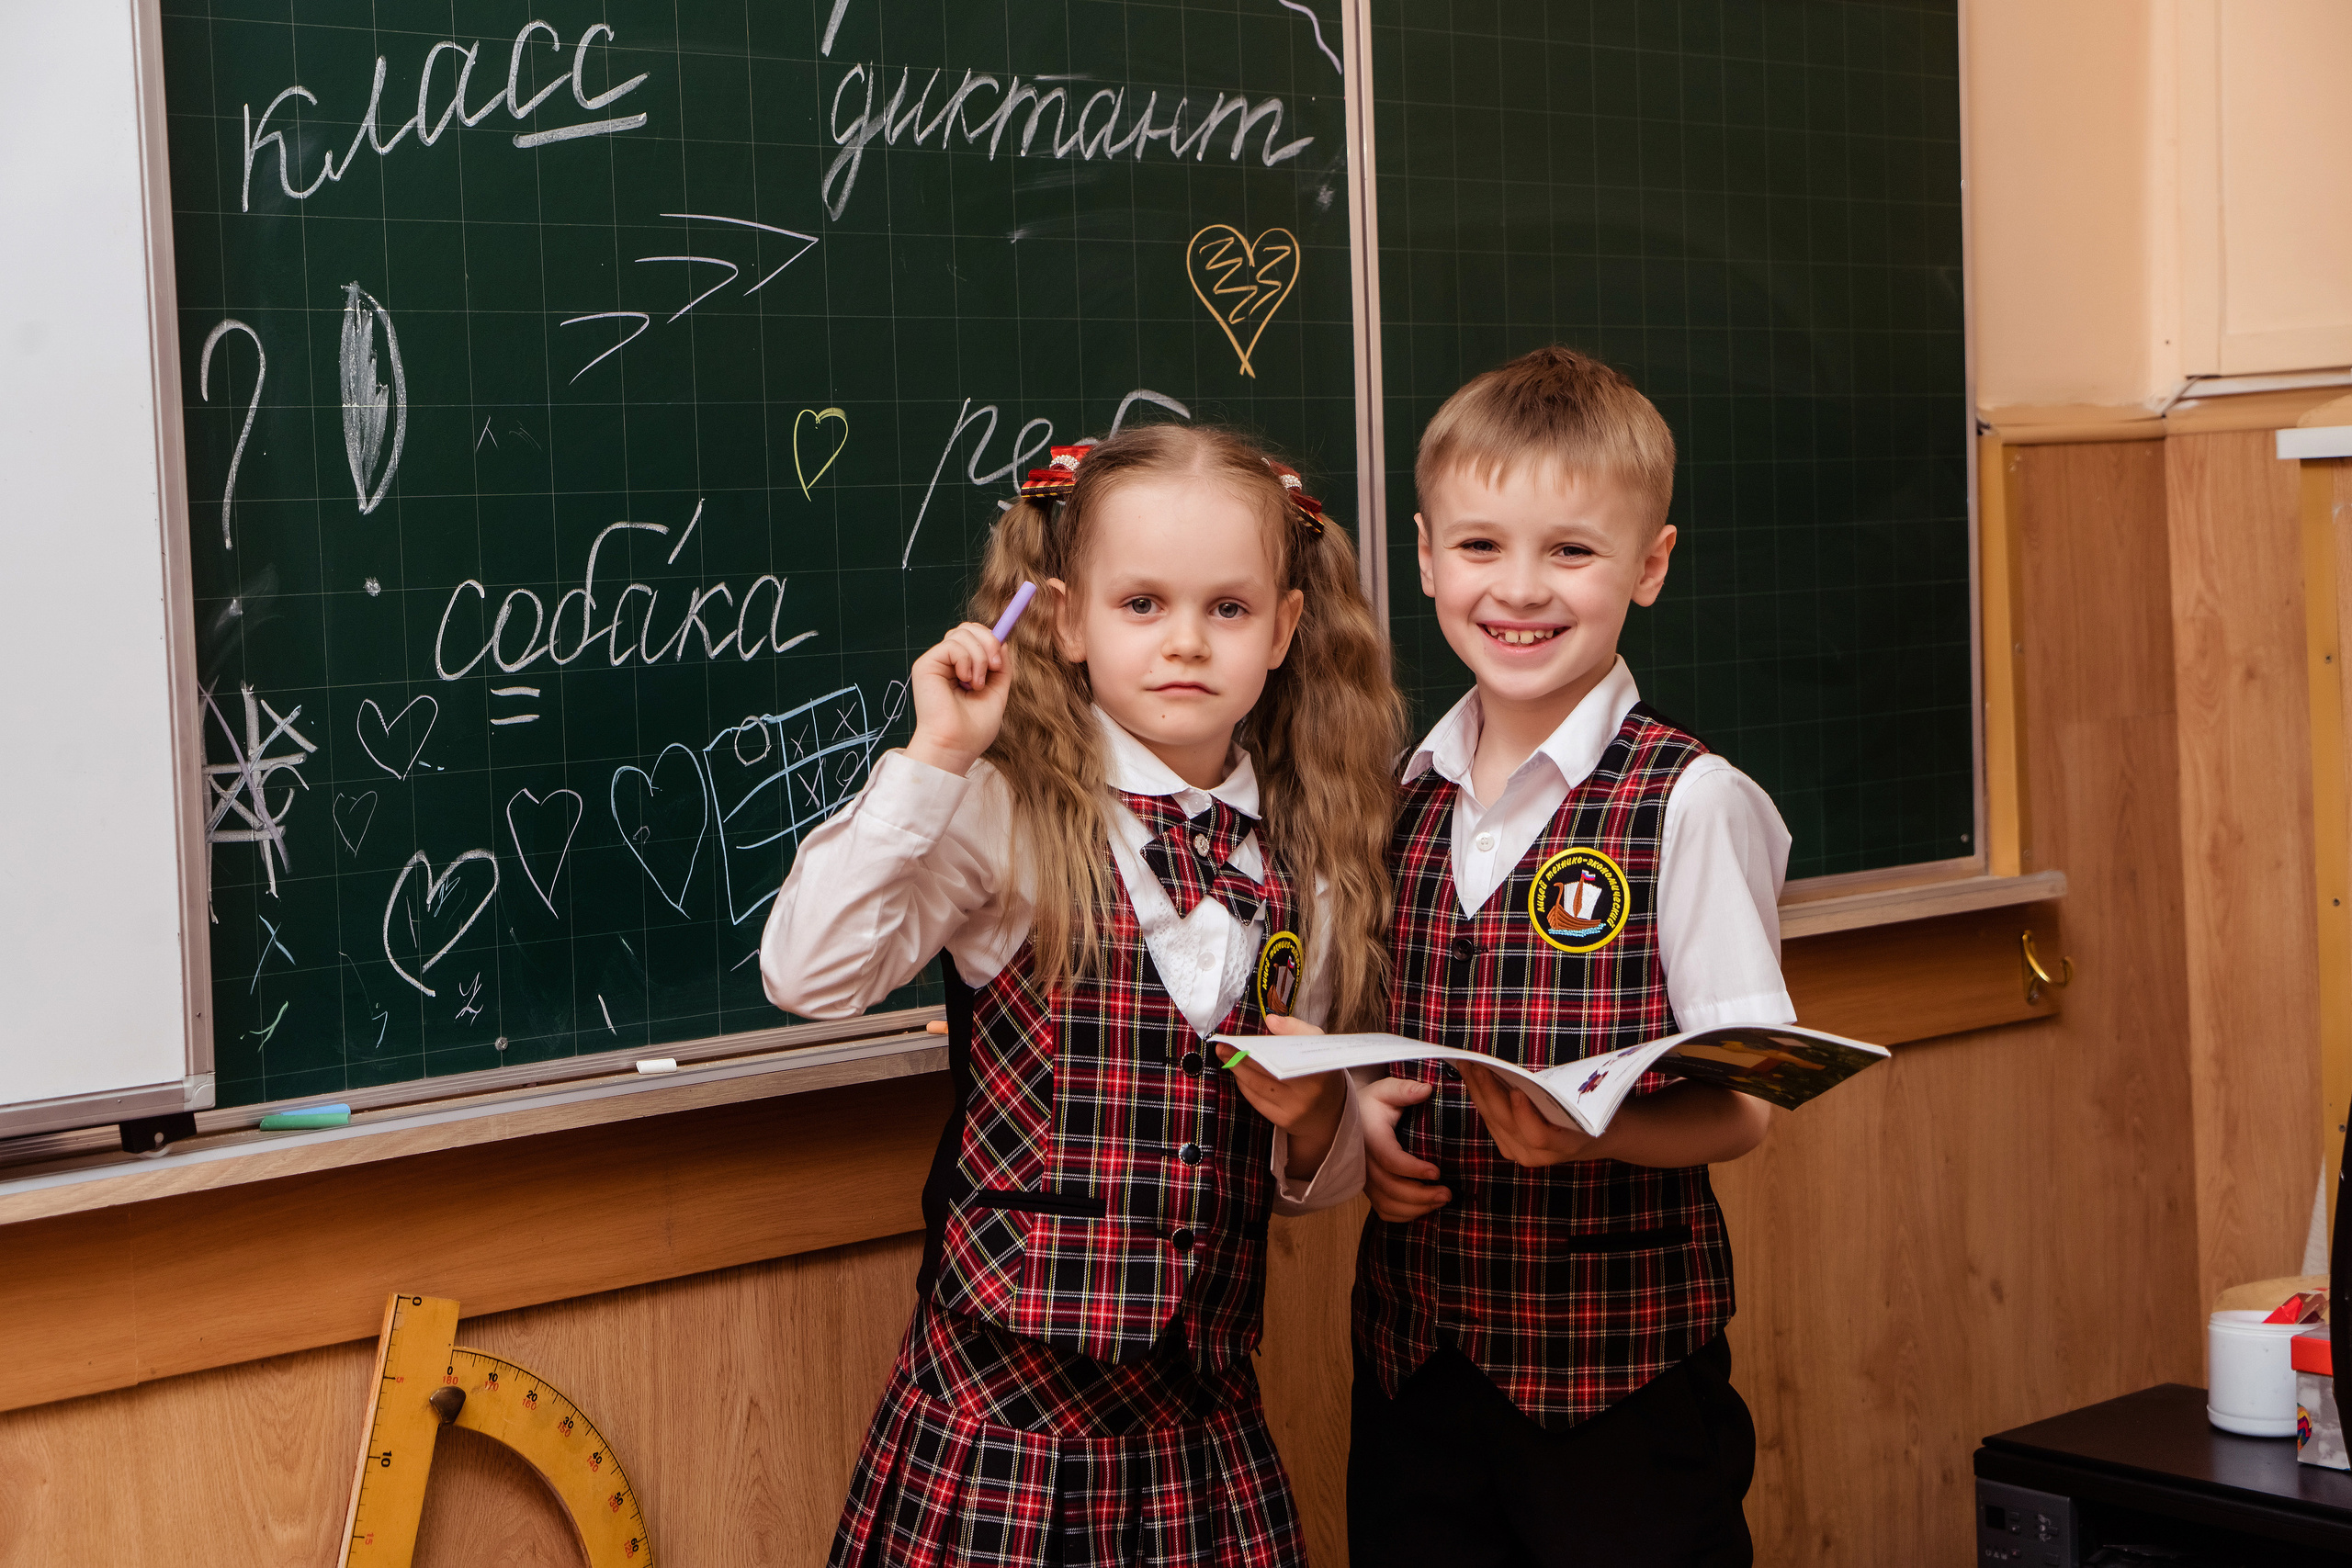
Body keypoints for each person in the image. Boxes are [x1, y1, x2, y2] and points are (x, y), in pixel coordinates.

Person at [762, 422, 1402, 1568]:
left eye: (1229, 609)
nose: (1186, 644)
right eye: (1142, 604)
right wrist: (937, 756)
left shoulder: (1302, 858)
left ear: (1285, 631)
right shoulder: (1004, 817)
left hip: (1197, 1438)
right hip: (995, 1439)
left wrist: (1318, 1125)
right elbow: (807, 975)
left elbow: (1313, 1170)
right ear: (1066, 620)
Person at [1349, 346, 1792, 1568]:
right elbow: (1386, 1033)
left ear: (1648, 566)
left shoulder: (1691, 800)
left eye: (1573, 550)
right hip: (1413, 1371)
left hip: (1622, 1393)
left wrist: (1595, 1128)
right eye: (1482, 546)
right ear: (1428, 554)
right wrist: (1368, 1127)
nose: (1521, 588)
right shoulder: (1398, 795)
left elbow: (1745, 1106)